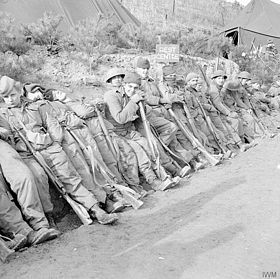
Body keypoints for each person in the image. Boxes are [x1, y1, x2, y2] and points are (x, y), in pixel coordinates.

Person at [0, 76, 118, 225]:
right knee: (39, 178)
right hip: (29, 155)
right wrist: (29, 144)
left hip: (49, 148)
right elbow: (10, 140)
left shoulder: (37, 106)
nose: (10, 100)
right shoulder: (4, 115)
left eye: (12, 95)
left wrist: (51, 143)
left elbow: (53, 126)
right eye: (5, 97)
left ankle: (96, 208)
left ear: (19, 92)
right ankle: (48, 217)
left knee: (70, 177)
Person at [104, 71, 179, 191]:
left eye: (135, 88)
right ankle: (153, 181)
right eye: (129, 86)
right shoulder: (111, 95)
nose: (131, 90)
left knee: (148, 145)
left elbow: (140, 115)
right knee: (140, 152)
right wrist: (133, 101)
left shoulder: (132, 95)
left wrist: (141, 102)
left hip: (130, 131)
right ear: (124, 84)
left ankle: (163, 175)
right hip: (117, 134)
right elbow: (120, 118)